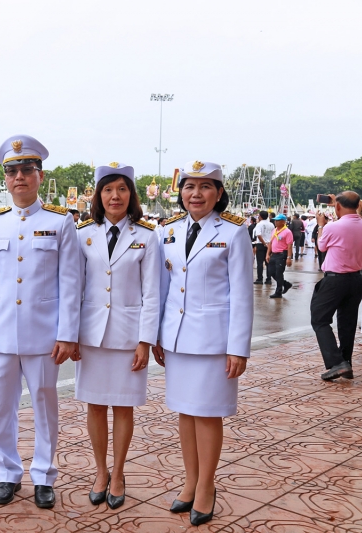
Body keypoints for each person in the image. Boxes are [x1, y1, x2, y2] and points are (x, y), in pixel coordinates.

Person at [0, 135, 79, 509]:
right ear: (6, 177)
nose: (19, 177)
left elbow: (70, 282)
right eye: (13, 171)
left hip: (44, 334)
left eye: (26, 170)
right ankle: (7, 473)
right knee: (3, 406)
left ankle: (44, 475)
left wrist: (67, 334)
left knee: (44, 405)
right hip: (1, 333)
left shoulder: (60, 222)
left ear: (39, 175)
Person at [153, 161, 253, 527]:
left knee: (208, 413)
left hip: (213, 340)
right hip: (177, 338)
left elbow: (242, 294)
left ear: (219, 193)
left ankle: (207, 486)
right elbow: (163, 289)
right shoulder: (168, 231)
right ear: (180, 193)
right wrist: (157, 337)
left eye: (205, 187)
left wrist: (238, 347)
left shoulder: (234, 232)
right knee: (185, 411)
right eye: (189, 187)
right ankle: (190, 481)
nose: (195, 194)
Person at [72, 163, 160, 509]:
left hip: (128, 337)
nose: (115, 196)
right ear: (98, 195)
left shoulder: (147, 236)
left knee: (123, 408)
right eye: (108, 189)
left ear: (131, 195)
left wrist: (145, 340)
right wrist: (72, 336)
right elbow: (73, 288)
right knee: (95, 405)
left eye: (122, 189)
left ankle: (119, 472)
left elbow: (151, 294)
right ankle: (99, 471)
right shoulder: (82, 234)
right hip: (91, 335)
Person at [311, 192, 362, 381]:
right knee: (347, 323)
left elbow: (321, 246)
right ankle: (346, 362)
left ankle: (337, 363)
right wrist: (337, 206)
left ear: (338, 206)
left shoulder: (332, 227)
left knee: (319, 319)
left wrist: (320, 225)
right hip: (356, 279)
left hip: (335, 280)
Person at [266, 214, 293, 298]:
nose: (275, 222)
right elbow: (271, 243)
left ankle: (278, 292)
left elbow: (289, 246)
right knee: (271, 272)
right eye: (275, 220)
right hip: (274, 254)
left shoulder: (287, 232)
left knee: (279, 273)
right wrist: (268, 254)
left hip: (282, 255)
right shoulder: (274, 230)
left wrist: (289, 258)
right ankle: (285, 284)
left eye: (277, 220)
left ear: (283, 222)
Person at [252, 210, 274, 285]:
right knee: (268, 262)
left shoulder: (259, 224)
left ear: (260, 216)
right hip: (269, 244)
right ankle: (268, 279)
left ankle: (260, 278)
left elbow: (258, 235)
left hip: (261, 244)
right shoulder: (271, 224)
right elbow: (273, 235)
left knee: (260, 262)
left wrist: (264, 243)